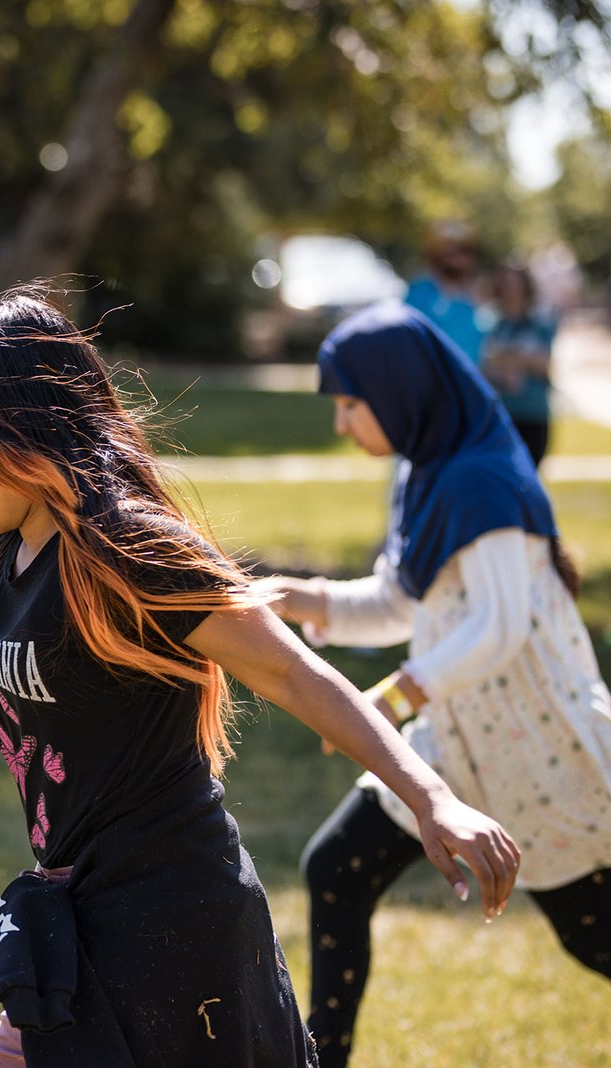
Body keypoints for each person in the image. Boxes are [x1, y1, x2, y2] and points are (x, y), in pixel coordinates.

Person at [0, 287, 520, 1067]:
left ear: (12, 432)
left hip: (178, 931)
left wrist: (430, 798)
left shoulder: (128, 551)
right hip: (77, 921)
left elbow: (296, 677)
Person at [255, 301, 611, 1068]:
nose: (344, 424)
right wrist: (302, 596)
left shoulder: (483, 480)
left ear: (401, 393)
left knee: (595, 936)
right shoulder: (423, 470)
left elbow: (499, 626)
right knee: (336, 869)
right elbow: (397, 600)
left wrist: (389, 700)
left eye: (352, 404)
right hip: (455, 738)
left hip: (532, 747)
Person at [482, 260, 556, 467]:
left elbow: (545, 364)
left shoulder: (540, 322)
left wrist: (505, 357)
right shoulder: (487, 322)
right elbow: (482, 364)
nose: (511, 289)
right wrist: (522, 359)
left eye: (516, 283)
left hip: (533, 412)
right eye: (505, 283)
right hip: (499, 413)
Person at [404, 219, 487, 365]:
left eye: (465, 251)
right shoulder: (419, 293)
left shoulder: (474, 296)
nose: (460, 258)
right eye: (451, 250)